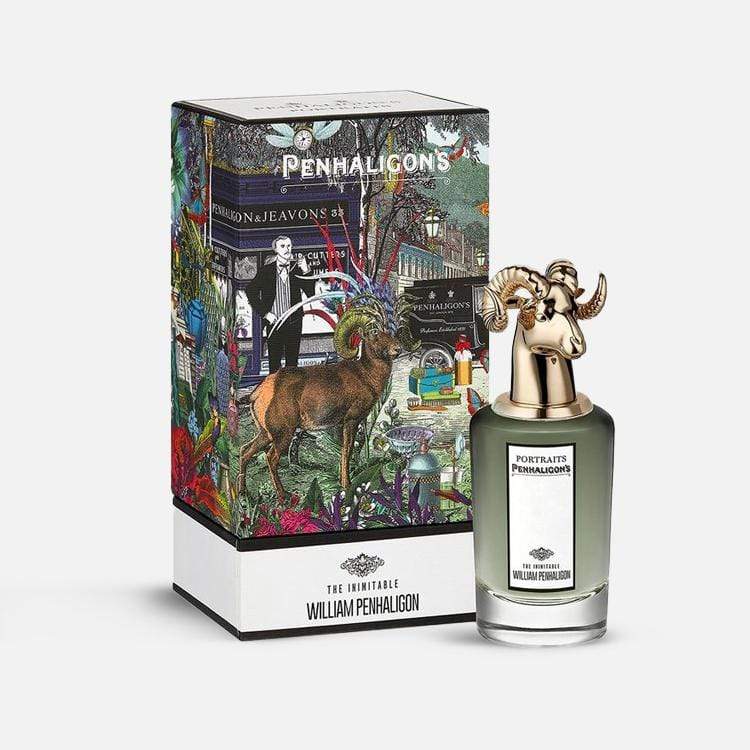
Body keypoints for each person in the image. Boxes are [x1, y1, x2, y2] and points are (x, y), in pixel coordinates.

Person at [244, 236, 317, 373]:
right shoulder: (266, 271)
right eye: (282, 246)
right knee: (274, 365)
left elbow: (311, 294)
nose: (286, 249)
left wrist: (306, 270)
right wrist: (265, 313)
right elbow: (250, 291)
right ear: (275, 249)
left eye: (289, 246)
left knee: (292, 365)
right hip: (274, 324)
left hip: (294, 323)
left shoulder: (297, 270)